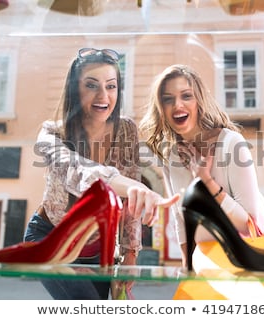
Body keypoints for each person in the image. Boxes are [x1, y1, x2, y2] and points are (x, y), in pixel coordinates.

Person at [25, 48, 178, 300]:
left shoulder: (126, 130)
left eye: (111, 86)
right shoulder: (51, 134)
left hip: (99, 249)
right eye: (91, 85)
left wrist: (130, 255)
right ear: (75, 90)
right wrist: (130, 186)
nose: (103, 95)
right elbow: (78, 174)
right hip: (49, 240)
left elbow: (129, 204)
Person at [139, 64, 264, 268]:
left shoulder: (231, 143)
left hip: (252, 262)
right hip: (208, 264)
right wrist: (187, 264)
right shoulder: (171, 155)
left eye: (186, 96)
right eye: (168, 99)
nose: (177, 105)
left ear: (199, 101)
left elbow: (247, 223)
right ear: (161, 108)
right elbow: (180, 217)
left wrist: (205, 181)